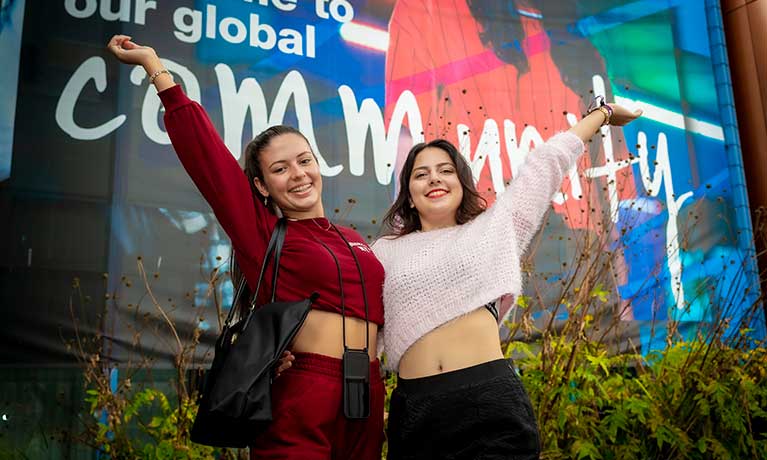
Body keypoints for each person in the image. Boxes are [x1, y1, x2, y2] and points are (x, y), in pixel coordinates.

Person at [106, 35, 385, 460]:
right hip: (304, 389)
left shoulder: (356, 240)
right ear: (261, 185)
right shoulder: (264, 233)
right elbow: (207, 160)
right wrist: (154, 66)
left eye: (304, 160)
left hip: (368, 390)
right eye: (279, 168)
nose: (298, 174)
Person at [374, 101, 641, 459]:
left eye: (445, 170)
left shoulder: (493, 230)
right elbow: (360, 333)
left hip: (488, 405)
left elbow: (544, 164)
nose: (434, 179)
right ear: (407, 192)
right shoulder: (384, 251)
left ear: (462, 183)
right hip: (415, 413)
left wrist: (602, 114)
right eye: (421, 174)